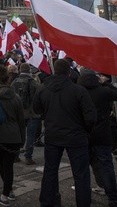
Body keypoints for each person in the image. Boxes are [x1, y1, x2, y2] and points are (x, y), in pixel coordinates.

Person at [33, 58, 97, 207]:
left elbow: (37, 109)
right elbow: (90, 116)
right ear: (69, 72)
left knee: (50, 171)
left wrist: (48, 116)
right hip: (75, 136)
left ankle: (47, 202)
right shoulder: (78, 90)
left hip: (55, 134)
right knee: (80, 174)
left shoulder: (43, 88)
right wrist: (85, 130)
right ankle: (82, 203)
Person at [78, 68, 117, 207]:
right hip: (102, 135)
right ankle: (113, 199)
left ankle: (83, 199)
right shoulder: (103, 91)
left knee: (81, 169)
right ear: (95, 78)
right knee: (106, 167)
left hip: (83, 135)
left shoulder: (77, 91)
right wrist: (106, 84)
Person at [0, 65, 25, 206]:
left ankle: (6, 192)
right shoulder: (15, 97)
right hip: (13, 135)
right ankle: (7, 192)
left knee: (2, 166)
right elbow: (21, 120)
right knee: (8, 166)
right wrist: (22, 138)